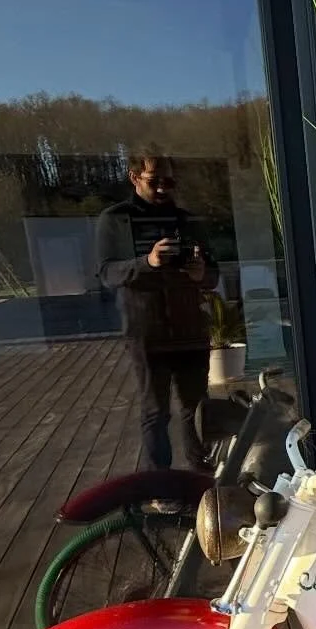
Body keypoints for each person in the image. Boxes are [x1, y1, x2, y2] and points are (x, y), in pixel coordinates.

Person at [96, 152, 219, 471]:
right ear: (133, 177)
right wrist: (147, 262)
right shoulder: (115, 220)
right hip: (146, 333)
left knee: (198, 410)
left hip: (190, 331)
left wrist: (200, 274)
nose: (164, 188)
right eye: (155, 181)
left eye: (170, 182)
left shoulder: (187, 221)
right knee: (156, 412)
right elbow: (107, 274)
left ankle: (201, 480)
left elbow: (213, 275)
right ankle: (161, 487)